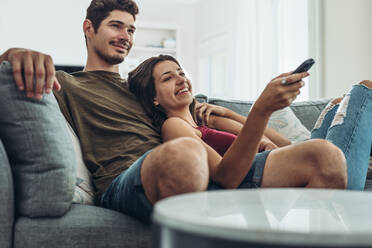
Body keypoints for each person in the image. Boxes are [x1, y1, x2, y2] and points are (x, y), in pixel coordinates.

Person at [0, 0, 365, 224]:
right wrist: (12, 55)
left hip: (198, 165)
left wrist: (215, 111)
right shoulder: (68, 83)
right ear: (88, 28)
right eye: (115, 26)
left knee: (326, 156)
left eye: (130, 29)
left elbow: (186, 115)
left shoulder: (141, 88)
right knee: (185, 152)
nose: (125, 35)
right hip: (125, 179)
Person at [128, 54, 372, 193]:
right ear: (154, 97)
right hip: (254, 176)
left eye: (181, 73)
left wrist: (230, 114)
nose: (180, 79)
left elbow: (285, 143)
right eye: (168, 78)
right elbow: (225, 176)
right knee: (364, 93)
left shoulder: (208, 121)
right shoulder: (174, 125)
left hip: (282, 165)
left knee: (350, 102)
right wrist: (261, 108)